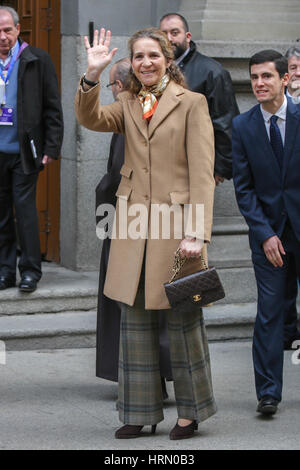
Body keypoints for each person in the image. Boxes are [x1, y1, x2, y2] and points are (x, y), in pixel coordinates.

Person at [75, 27, 216, 440]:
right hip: (134, 229)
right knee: (133, 323)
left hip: (177, 230)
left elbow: (203, 174)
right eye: (138, 57)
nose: (146, 63)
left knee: (183, 322)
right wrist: (92, 75)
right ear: (132, 64)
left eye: (153, 55)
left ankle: (190, 414)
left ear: (168, 59)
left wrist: (197, 232)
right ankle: (140, 411)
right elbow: (90, 118)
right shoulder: (127, 102)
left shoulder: (193, 104)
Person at [95, 57, 172, 393]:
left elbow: (117, 174)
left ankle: (141, 376)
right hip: (131, 220)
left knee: (132, 304)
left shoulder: (135, 117)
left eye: (113, 85)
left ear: (121, 86)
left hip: (131, 224)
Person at [232, 50, 300, 416]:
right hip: (268, 237)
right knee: (270, 314)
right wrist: (264, 233)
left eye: (267, 77)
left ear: (284, 79)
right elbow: (243, 189)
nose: (259, 83)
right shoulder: (243, 127)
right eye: (255, 77)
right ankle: (269, 392)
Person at [0, 6, 63, 293]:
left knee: (25, 211)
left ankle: (29, 271)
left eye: (7, 30)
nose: (2, 36)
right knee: (1, 214)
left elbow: (52, 106)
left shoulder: (37, 59)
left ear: (17, 30)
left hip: (25, 150)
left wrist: (52, 145)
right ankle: (5, 271)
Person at [160, 12, 239, 185]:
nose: (169, 39)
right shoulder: (155, 70)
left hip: (196, 167)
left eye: (174, 33)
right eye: (163, 34)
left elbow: (225, 122)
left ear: (187, 36)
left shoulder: (212, 72)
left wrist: (220, 168)